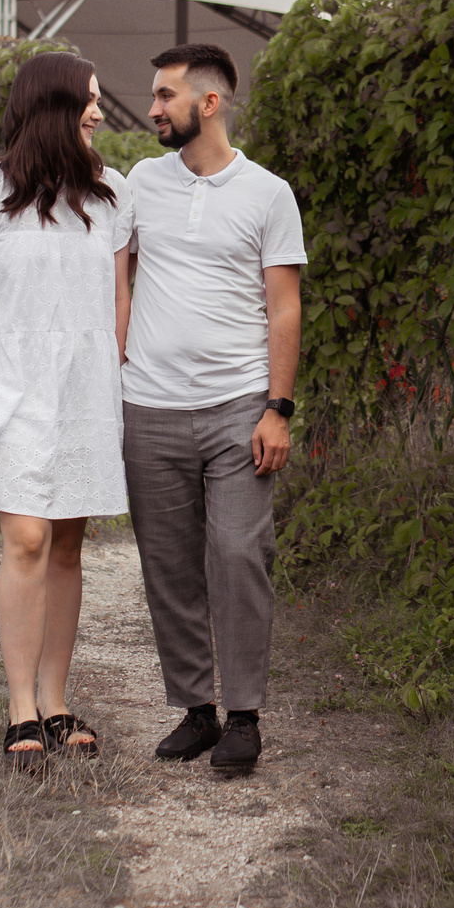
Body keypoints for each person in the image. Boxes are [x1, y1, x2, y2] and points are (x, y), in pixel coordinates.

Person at [0, 53, 134, 768]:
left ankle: (57, 698)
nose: (100, 112)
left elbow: (119, 302)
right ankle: (19, 707)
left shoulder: (111, 194)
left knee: (69, 544)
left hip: (83, 387)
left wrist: (117, 381)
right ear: (53, 104)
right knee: (26, 539)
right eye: (89, 100)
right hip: (9, 385)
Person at [120, 41, 307, 771]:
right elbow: (118, 278)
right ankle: (196, 710)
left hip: (238, 406)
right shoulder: (140, 181)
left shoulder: (268, 193)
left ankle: (244, 716)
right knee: (168, 563)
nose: (153, 107)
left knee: (236, 553)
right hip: (150, 404)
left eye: (165, 95)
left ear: (209, 102)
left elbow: (284, 308)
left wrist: (278, 407)